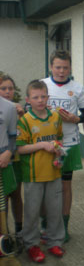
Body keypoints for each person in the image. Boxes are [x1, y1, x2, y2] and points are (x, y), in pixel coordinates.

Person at [42, 50, 84, 242]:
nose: (61, 71)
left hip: (69, 144)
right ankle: (45, 225)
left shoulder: (77, 88)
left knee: (65, 186)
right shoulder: (42, 85)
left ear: (70, 68)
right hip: (45, 144)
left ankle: (64, 226)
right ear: (51, 67)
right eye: (58, 67)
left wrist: (76, 118)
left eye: (65, 67)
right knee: (45, 186)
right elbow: (31, 111)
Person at [17, 80, 65, 263]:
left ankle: (54, 240)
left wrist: (59, 154)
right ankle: (31, 244)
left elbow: (59, 141)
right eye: (35, 97)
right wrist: (41, 145)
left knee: (54, 210)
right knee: (32, 211)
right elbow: (20, 149)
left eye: (43, 96)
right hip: (33, 175)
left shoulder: (55, 117)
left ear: (48, 97)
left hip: (53, 172)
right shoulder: (25, 121)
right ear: (28, 99)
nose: (40, 100)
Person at [0, 74, 24, 245]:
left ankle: (19, 231)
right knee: (4, 198)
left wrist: (22, 115)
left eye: (10, 88)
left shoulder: (17, 109)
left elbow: (21, 134)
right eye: (3, 88)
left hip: (14, 158)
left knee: (15, 194)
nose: (8, 92)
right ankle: (4, 233)